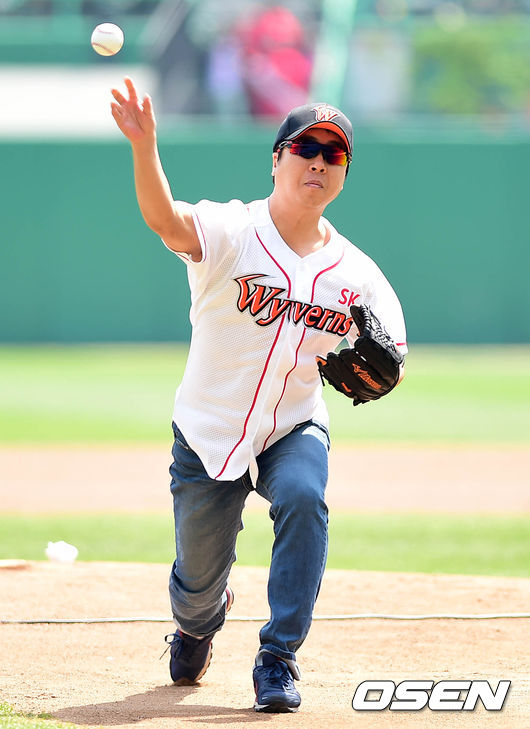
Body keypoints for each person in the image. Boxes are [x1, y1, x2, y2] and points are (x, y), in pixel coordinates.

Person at [110, 77, 407, 713]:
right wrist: (144, 146)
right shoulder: (232, 231)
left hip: (292, 426)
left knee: (304, 497)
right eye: (306, 148)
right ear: (277, 160)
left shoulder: (357, 273)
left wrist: (387, 371)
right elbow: (166, 221)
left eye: (334, 153)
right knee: (196, 587)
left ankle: (278, 657)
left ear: (343, 173)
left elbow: (394, 355)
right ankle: (198, 625)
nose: (319, 162)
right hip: (208, 429)